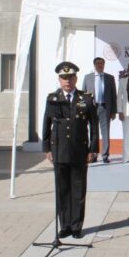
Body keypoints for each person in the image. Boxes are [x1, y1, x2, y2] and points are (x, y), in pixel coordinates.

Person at [43, 62, 99, 239]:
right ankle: (65, 225)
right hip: (59, 150)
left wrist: (93, 149)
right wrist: (46, 148)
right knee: (62, 189)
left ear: (76, 79)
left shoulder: (86, 98)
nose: (67, 81)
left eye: (70, 78)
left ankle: (76, 226)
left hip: (79, 151)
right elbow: (47, 124)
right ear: (59, 80)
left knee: (78, 189)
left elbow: (94, 125)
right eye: (64, 78)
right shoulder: (53, 99)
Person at [81, 57, 117, 163]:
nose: (100, 65)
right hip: (92, 108)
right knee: (93, 132)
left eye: (101, 63)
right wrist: (83, 110)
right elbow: (83, 95)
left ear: (104, 65)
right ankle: (93, 155)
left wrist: (114, 111)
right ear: (94, 65)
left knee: (105, 133)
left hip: (105, 108)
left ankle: (105, 156)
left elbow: (113, 95)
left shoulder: (110, 78)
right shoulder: (87, 78)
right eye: (97, 63)